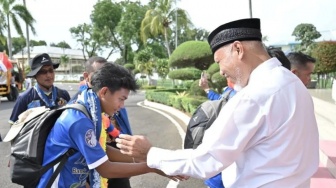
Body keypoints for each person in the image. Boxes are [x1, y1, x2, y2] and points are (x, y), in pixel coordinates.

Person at [116, 18, 319, 187]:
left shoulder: (255, 95)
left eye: (219, 60)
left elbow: (207, 159)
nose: (221, 71)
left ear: (238, 49)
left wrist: (150, 153)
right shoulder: (292, 83)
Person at [70, 56, 133, 188]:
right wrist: (150, 164)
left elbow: (124, 132)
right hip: (94, 166)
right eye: (100, 74)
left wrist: (135, 157)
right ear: (87, 76)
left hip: (115, 161)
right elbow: (103, 164)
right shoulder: (79, 111)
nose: (107, 78)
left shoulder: (111, 101)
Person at [8, 53, 70, 124]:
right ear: (35, 75)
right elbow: (13, 126)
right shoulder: (24, 98)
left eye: (51, 70)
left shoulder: (64, 94)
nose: (49, 75)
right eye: (43, 72)